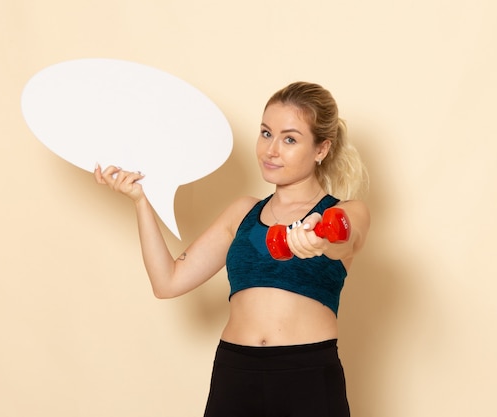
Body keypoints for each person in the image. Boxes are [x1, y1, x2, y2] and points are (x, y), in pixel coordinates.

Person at [94, 81, 370, 417]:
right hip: (235, 375)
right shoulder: (243, 212)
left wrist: (320, 238)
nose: (271, 150)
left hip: (307, 376)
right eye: (266, 133)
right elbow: (167, 282)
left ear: (321, 149)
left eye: (290, 139)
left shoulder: (343, 211)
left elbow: (347, 238)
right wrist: (140, 201)